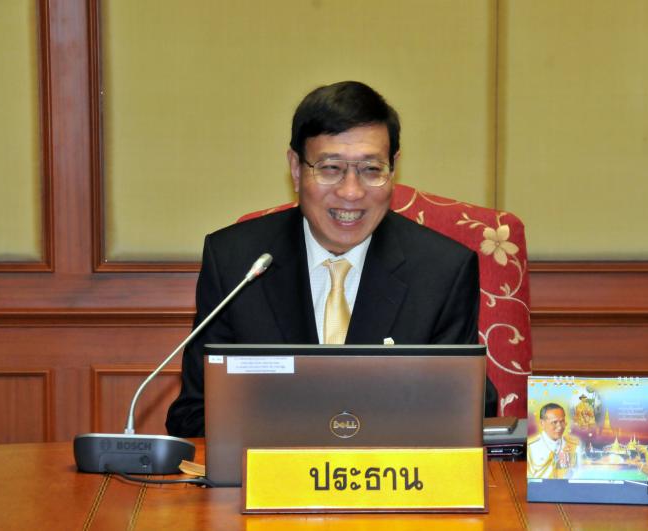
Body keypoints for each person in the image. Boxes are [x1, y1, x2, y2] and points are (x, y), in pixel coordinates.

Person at [166, 81, 497, 437]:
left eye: (371, 169)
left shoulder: (441, 271)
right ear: (296, 169)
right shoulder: (237, 263)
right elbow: (194, 413)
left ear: (393, 169)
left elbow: (469, 409)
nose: (350, 192)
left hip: (392, 470)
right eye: (330, 168)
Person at [527, 403, 584, 479]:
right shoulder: (530, 446)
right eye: (554, 422)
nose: (559, 427)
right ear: (542, 423)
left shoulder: (573, 445)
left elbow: (578, 475)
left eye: (562, 421)